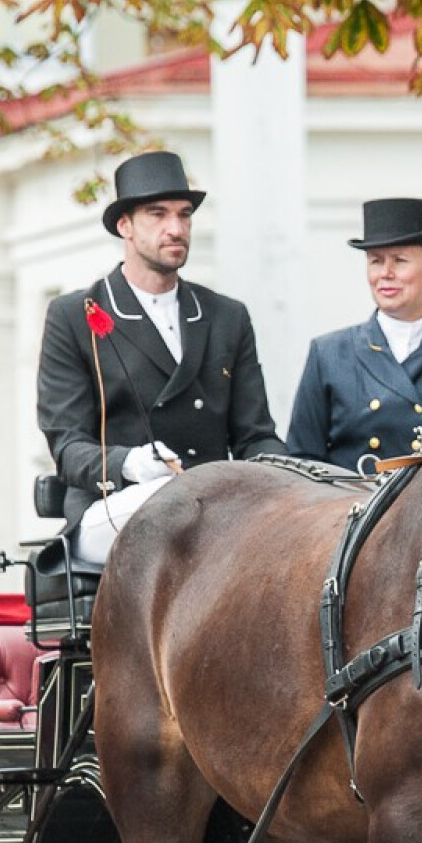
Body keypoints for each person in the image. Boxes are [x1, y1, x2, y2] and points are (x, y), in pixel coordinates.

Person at [35, 150, 287, 550]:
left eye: (184, 214)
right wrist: (129, 464)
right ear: (125, 226)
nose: (176, 228)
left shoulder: (226, 316)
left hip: (213, 503)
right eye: (158, 214)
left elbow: (254, 435)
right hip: (115, 503)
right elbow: (68, 446)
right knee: (169, 514)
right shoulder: (74, 316)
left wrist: (292, 477)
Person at [286, 199, 422, 474]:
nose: (385, 274)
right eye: (376, 261)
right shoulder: (328, 354)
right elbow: (302, 463)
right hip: (352, 510)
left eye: (400, 261)